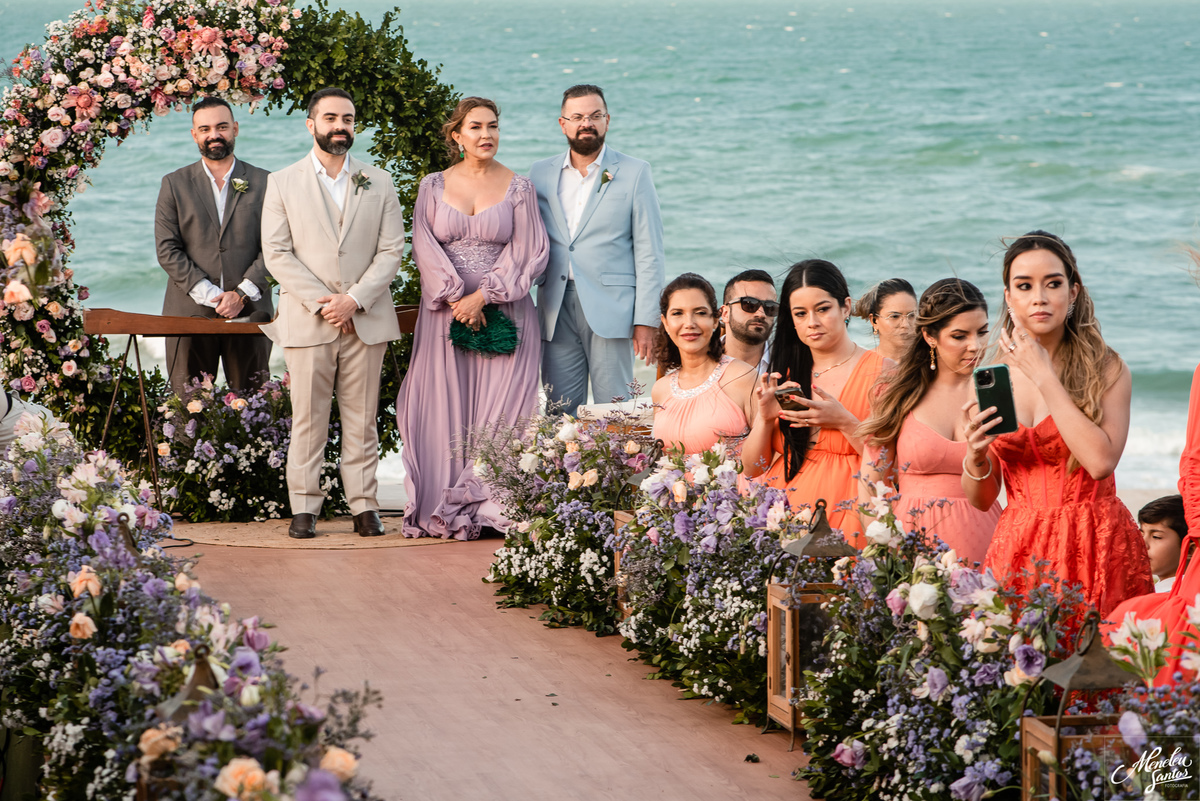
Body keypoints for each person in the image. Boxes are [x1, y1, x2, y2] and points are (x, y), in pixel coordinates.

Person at [961, 231, 1152, 617]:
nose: (1040, 298)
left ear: (1074, 292)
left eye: (1053, 284)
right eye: (1024, 286)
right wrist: (976, 455)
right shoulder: (991, 378)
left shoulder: (1108, 369)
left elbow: (1100, 463)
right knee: (1023, 671)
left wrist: (1046, 378)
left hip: (1095, 539)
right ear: (1008, 296)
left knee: (1097, 668)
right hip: (1019, 545)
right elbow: (981, 500)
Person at [396, 98, 549, 540]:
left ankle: (491, 503)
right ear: (456, 135)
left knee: (504, 411)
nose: (487, 135)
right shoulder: (432, 186)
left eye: (494, 126)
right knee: (444, 408)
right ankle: (444, 501)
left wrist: (484, 295)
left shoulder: (519, 187)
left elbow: (531, 251)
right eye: (476, 127)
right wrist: (454, 297)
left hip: (508, 310)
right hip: (445, 316)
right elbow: (423, 245)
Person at [259, 87, 405, 540]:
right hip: (309, 320)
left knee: (362, 418)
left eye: (348, 118)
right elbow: (276, 254)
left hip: (366, 317)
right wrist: (326, 302)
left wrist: (354, 300)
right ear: (311, 124)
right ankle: (304, 507)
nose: (340, 126)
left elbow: (392, 250)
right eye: (330, 118)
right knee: (307, 418)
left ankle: (364, 505)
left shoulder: (379, 181)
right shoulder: (282, 182)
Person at [530, 84, 665, 416]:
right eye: (577, 117)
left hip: (612, 309)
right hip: (554, 306)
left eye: (594, 115)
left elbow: (650, 250)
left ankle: (622, 471)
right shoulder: (539, 173)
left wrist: (646, 319)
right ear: (562, 123)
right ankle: (562, 471)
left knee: (616, 412)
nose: (585, 123)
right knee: (559, 412)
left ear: (608, 120)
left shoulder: (635, 172)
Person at [742, 259, 888, 547]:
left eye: (823, 309)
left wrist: (845, 422)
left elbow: (892, 466)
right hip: (787, 510)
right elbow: (752, 468)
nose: (812, 322)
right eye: (800, 313)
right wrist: (766, 418)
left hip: (852, 509)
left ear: (845, 307)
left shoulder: (884, 371)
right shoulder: (785, 373)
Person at [858, 278, 1001, 565]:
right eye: (960, 336)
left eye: (982, 332)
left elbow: (994, 488)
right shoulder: (898, 393)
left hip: (987, 538)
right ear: (930, 336)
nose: (975, 346)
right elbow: (870, 486)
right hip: (910, 544)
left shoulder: (995, 396)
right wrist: (886, 553)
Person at [155, 96, 273, 395]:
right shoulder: (174, 183)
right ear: (194, 135)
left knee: (253, 409)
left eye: (222, 126)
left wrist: (241, 295)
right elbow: (167, 249)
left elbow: (276, 246)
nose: (214, 134)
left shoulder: (266, 182)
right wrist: (214, 296)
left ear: (235, 128)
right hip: (188, 314)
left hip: (252, 314)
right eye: (205, 128)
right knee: (187, 412)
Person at [651, 273, 757, 456]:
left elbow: (768, 455)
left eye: (700, 313)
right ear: (665, 323)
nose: (689, 323)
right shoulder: (660, 389)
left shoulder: (742, 377)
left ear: (715, 320)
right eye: (677, 313)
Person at [721, 269, 778, 374]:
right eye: (749, 304)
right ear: (725, 313)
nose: (761, 314)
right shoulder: (700, 358)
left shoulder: (788, 361)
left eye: (770, 307)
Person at [855, 278, 917, 364]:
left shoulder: (933, 363)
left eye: (911, 315)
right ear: (874, 321)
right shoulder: (860, 365)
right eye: (895, 316)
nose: (905, 324)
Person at [1135, 495, 1186, 593]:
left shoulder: (1185, 598)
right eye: (1141, 535)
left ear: (1190, 549)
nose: (1142, 544)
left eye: (1156, 537)